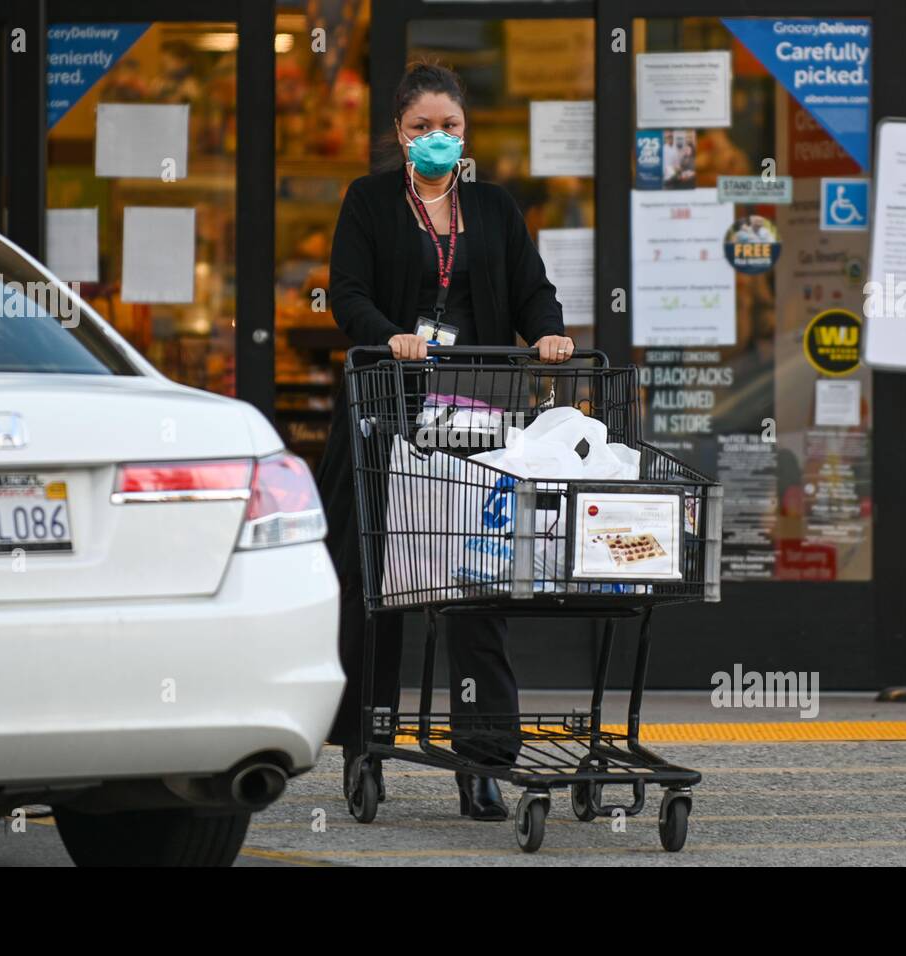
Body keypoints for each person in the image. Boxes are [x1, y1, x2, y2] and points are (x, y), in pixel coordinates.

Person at [316, 62, 574, 821]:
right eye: (423, 127)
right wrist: (387, 336)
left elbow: (532, 287)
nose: (438, 139)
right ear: (399, 133)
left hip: (476, 414)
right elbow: (347, 291)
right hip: (387, 411)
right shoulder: (368, 201)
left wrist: (551, 333)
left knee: (478, 580)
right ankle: (367, 747)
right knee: (380, 589)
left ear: (467, 134)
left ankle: (483, 760)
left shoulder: (492, 208)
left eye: (451, 127)